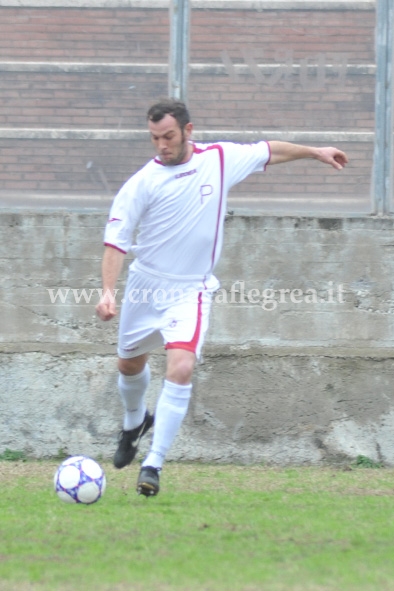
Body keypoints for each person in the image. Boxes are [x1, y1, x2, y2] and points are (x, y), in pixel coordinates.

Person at [95, 98, 348, 497]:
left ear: (188, 131)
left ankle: (153, 464)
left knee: (180, 368)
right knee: (128, 364)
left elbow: (270, 150)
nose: (161, 145)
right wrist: (108, 293)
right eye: (155, 138)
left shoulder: (219, 158)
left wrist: (314, 152)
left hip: (190, 290)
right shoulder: (141, 183)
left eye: (169, 136)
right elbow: (116, 242)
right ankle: (133, 422)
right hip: (146, 286)